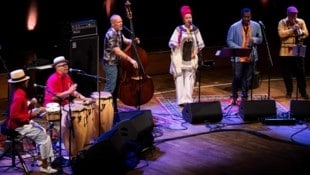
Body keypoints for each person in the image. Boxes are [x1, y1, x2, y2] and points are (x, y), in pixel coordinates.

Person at [6, 69, 58, 174]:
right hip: (18, 126)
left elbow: (21, 110)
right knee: (45, 138)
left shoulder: (18, 92)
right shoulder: (19, 96)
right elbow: (14, 115)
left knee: (43, 130)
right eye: (25, 80)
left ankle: (42, 159)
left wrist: (30, 105)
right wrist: (33, 114)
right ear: (22, 82)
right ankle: (44, 165)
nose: (27, 81)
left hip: (22, 123)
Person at [168, 5, 205, 106]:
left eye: (190, 17)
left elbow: (200, 44)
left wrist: (195, 52)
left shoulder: (195, 30)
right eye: (187, 18)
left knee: (189, 79)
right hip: (180, 58)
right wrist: (176, 44)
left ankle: (188, 100)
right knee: (180, 78)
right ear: (183, 19)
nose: (189, 19)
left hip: (190, 58)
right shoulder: (179, 29)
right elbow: (171, 42)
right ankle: (181, 100)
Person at [102, 14, 138, 112]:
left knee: (116, 86)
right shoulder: (110, 34)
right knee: (110, 86)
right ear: (113, 23)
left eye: (121, 21)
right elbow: (117, 51)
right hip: (110, 64)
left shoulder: (118, 32)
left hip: (116, 63)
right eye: (118, 22)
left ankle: (113, 107)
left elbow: (125, 40)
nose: (121, 23)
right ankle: (103, 109)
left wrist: (133, 41)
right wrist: (131, 59)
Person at [226, 7, 263, 103]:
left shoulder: (256, 25)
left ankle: (245, 96)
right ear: (242, 17)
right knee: (237, 76)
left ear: (251, 16)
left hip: (251, 56)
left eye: (249, 17)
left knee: (247, 78)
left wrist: (254, 39)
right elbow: (229, 40)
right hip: (238, 57)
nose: (247, 19)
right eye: (245, 17)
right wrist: (239, 49)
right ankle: (234, 95)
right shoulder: (234, 27)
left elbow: (260, 39)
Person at [277, 5, 309, 100]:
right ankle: (289, 92)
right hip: (285, 51)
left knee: (301, 73)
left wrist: (301, 34)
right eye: (292, 15)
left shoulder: (301, 21)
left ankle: (303, 92)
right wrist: (292, 29)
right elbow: (281, 35)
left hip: (298, 50)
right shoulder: (282, 22)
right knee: (287, 73)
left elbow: (306, 33)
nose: (294, 17)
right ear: (288, 14)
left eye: (296, 15)